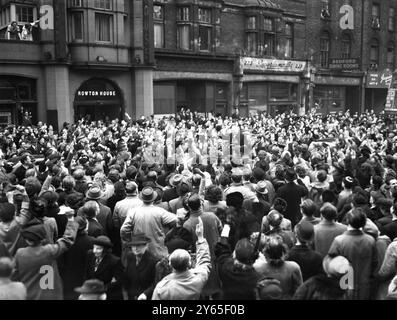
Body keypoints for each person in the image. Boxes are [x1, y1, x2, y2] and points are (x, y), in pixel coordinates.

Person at [12, 212, 78, 300]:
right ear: (43, 239)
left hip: (29, 294)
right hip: (51, 295)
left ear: (27, 240)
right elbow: (67, 240)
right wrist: (70, 220)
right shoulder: (50, 251)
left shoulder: (20, 254)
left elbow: (13, 275)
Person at [152, 217, 211, 300]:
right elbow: (204, 261)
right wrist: (200, 237)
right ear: (189, 263)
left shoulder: (161, 287)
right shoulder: (198, 278)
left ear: (170, 263)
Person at [328, 208, 378, 300]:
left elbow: (331, 266)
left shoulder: (339, 241)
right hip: (364, 286)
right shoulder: (370, 241)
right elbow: (374, 264)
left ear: (348, 221)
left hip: (344, 286)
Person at [120, 187, 177, 260]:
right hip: (157, 250)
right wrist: (168, 235)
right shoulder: (159, 211)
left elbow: (124, 230)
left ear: (142, 198)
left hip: (140, 251)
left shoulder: (133, 212)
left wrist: (129, 241)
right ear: (153, 199)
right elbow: (177, 220)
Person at [58, 216, 94, 300]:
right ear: (85, 227)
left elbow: (60, 264)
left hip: (68, 281)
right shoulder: (92, 242)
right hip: (85, 281)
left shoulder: (64, 243)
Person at [85, 236, 124, 300]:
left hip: (109, 295)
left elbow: (118, 281)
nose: (95, 251)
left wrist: (100, 289)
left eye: (98, 249)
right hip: (92, 294)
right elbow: (86, 274)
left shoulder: (114, 261)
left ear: (105, 250)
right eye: (94, 247)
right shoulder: (90, 255)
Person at [124, 233, 159, 300]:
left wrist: (145, 294)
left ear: (146, 246)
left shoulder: (153, 261)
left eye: (139, 245)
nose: (135, 248)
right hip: (131, 295)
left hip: (146, 297)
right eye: (133, 246)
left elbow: (156, 282)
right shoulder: (130, 257)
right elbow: (127, 277)